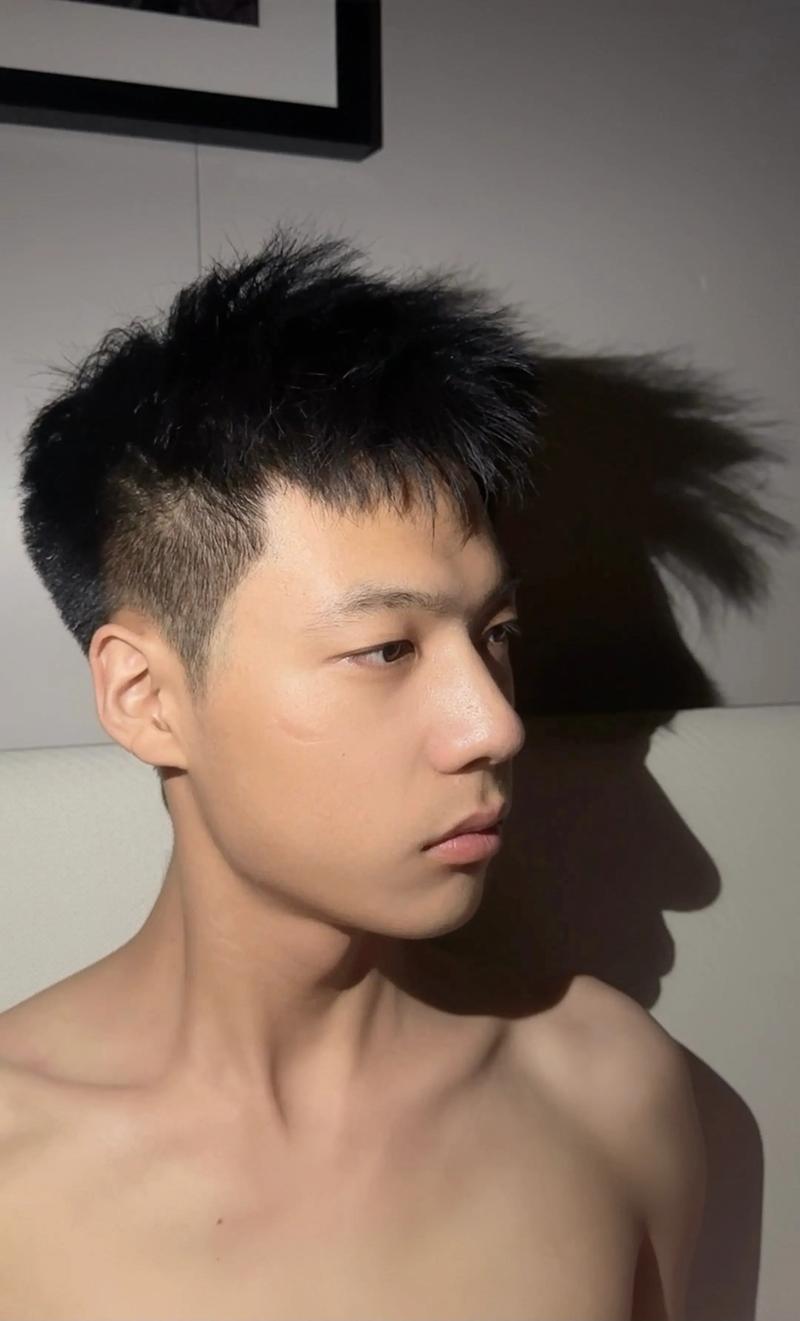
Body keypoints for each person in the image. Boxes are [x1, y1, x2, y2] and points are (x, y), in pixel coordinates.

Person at [1, 226, 706, 1319]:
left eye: (497, 634)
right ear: (145, 696)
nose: (493, 724)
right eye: (385, 649)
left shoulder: (610, 1093)